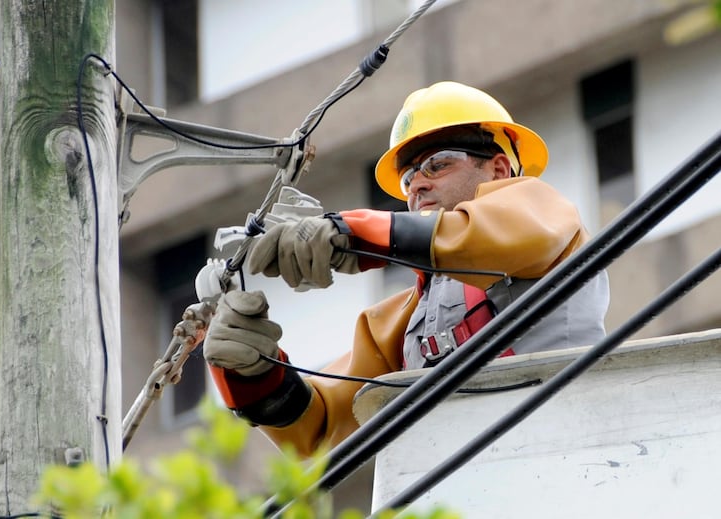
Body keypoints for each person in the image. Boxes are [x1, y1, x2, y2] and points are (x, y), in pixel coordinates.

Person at [203, 81, 610, 457]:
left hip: (564, 454)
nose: (417, 186)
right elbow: (324, 423)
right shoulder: (405, 320)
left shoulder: (546, 218)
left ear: (499, 170)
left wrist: (352, 234)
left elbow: (496, 235)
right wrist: (253, 372)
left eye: (438, 164)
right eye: (410, 177)